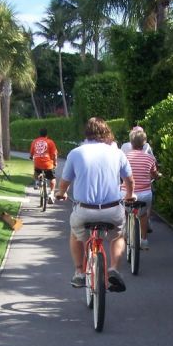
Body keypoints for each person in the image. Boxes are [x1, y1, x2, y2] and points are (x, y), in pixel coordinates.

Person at [56, 117, 135, 292]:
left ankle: (79, 272)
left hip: (85, 211)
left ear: (87, 133)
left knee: (76, 235)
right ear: (107, 132)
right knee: (118, 236)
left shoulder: (76, 153)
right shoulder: (117, 153)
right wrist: (129, 195)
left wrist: (61, 193)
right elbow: (129, 180)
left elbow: (64, 183)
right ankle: (113, 268)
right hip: (112, 210)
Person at [123, 127, 160, 249]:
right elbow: (154, 174)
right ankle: (144, 240)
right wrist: (158, 176)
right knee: (143, 214)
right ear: (144, 143)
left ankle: (125, 230)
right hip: (144, 194)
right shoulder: (150, 158)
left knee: (124, 209)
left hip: (127, 192)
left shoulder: (124, 157)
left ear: (131, 142)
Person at [30, 128, 58, 203]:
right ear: (47, 135)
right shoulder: (50, 142)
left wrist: (31, 156)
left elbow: (32, 153)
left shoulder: (35, 141)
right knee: (52, 178)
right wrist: (55, 162)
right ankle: (51, 194)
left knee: (36, 170)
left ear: (39, 134)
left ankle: (36, 182)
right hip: (48, 164)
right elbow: (55, 154)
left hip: (38, 163)